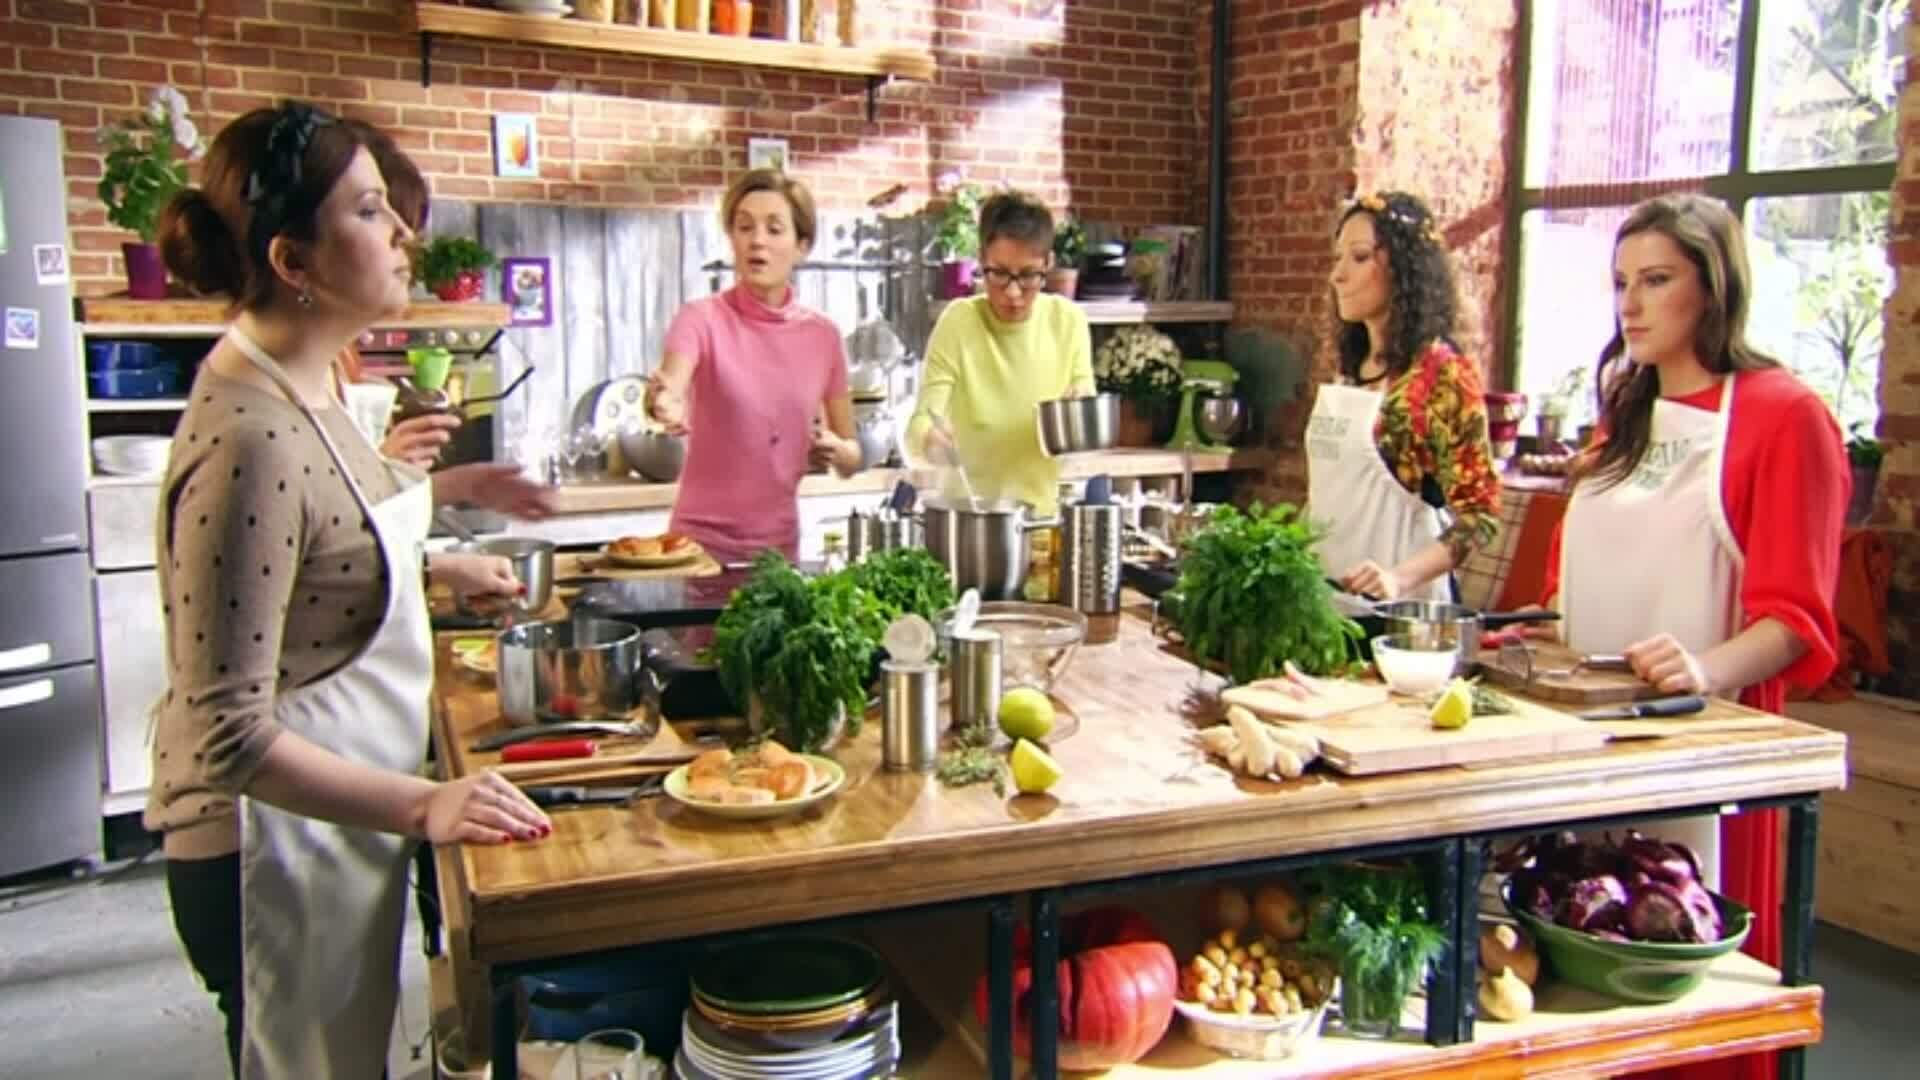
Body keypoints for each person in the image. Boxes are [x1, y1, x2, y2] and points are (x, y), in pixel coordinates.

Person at [146, 102, 553, 1078]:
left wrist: (441, 547)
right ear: (293, 261)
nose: (405, 232)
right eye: (370, 211)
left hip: (330, 828)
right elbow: (226, 734)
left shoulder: (309, 383)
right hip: (268, 848)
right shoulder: (249, 437)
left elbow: (321, 552)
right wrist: (424, 807)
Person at [1540, 193, 1847, 1080]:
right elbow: (1566, 588)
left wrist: (1702, 670)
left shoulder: (1785, 417)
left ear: (1712, 290)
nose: (1630, 305)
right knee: (1583, 986)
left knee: (1681, 996)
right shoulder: (1625, 418)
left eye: (1656, 281)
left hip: (1703, 764)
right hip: (1590, 749)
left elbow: (1795, 619)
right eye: (1621, 283)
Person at [644, 168, 862, 564]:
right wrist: (664, 403)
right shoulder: (700, 319)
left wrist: (836, 451)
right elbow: (671, 385)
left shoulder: (823, 337)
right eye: (744, 227)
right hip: (697, 551)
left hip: (777, 554)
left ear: (801, 246)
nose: (757, 240)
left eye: (774, 229)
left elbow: (852, 454)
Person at [1311, 191, 1501, 602]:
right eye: (1338, 258)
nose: (1338, 275)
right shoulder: (1351, 369)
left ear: (1404, 268)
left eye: (1359, 257)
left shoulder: (1442, 375)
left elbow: (1479, 516)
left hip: (1402, 612)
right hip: (1328, 601)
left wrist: (1398, 578)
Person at [905, 191, 1094, 516]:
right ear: (981, 260)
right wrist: (931, 442)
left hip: (1041, 522)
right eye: (1000, 273)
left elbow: (1084, 413)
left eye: (1028, 275)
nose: (1013, 292)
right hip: (969, 520)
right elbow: (919, 426)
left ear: (1048, 263)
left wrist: (1078, 409)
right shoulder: (959, 322)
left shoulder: (1068, 321)